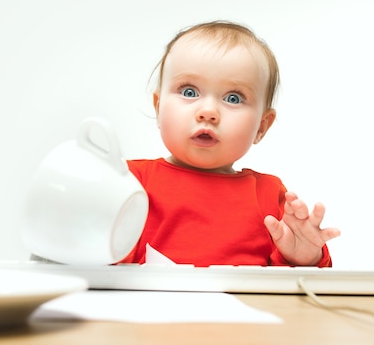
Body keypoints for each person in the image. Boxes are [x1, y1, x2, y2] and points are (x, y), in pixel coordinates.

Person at [118, 20, 341, 267]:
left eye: (233, 98)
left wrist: (303, 257)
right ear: (159, 108)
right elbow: (99, 260)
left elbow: (294, 288)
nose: (208, 112)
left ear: (261, 127)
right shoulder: (129, 180)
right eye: (189, 92)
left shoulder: (268, 195)